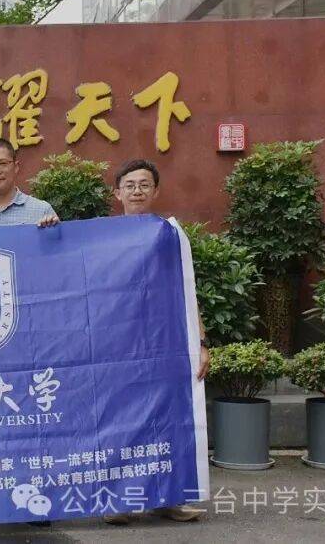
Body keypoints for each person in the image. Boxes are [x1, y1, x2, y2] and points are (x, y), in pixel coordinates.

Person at [104, 158, 210, 526]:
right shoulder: (101, 237)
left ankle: (170, 498)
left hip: (164, 342)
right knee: (120, 420)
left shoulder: (169, 236)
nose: (137, 191)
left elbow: (187, 289)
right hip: (117, 345)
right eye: (129, 185)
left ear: (156, 191)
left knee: (167, 418)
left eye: (144, 184)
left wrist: (201, 341)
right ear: (117, 193)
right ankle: (120, 499)